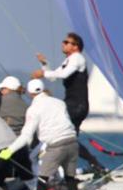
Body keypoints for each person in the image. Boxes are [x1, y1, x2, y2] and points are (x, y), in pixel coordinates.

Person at [0, 79, 81, 190]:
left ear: (30, 93)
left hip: (55, 146)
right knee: (70, 177)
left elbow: (26, 137)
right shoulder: (59, 103)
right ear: (43, 89)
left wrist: (9, 150)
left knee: (43, 178)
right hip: (72, 142)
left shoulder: (33, 109)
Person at [32, 32, 105, 173]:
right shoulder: (69, 60)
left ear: (75, 46)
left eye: (67, 42)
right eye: (64, 41)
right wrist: (45, 64)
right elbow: (54, 77)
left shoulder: (77, 58)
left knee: (63, 137)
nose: (63, 44)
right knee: (70, 140)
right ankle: (95, 165)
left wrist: (43, 74)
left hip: (76, 105)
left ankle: (61, 169)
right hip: (72, 104)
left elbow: (63, 75)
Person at [0, 75, 33, 181]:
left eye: (2, 89)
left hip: (4, 145)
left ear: (8, 89)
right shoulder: (25, 105)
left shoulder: (0, 102)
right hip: (21, 144)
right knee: (26, 173)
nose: (1, 91)